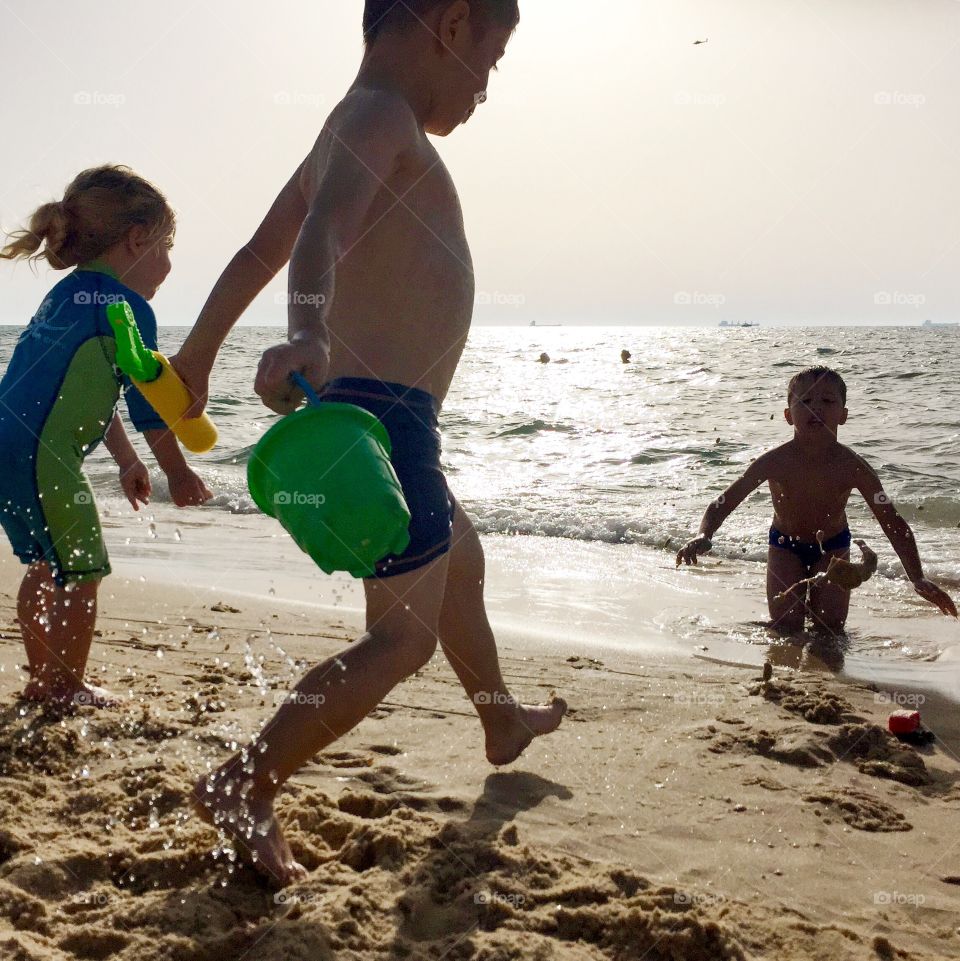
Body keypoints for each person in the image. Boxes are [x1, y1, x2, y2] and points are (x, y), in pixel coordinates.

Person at [173, 0, 565, 885]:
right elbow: (318, 238)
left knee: (460, 562)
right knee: (399, 640)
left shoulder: (350, 126)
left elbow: (258, 250)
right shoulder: (380, 117)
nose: (486, 87)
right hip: (384, 415)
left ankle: (500, 718)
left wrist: (197, 357)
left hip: (388, 417)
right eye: (493, 58)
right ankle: (247, 780)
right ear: (451, 24)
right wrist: (307, 332)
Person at [0, 165, 212, 707]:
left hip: (12, 447)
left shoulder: (66, 297)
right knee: (81, 568)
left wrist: (126, 461)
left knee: (48, 563)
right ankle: (65, 687)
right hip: (44, 454)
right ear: (136, 240)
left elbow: (86, 391)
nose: (169, 263)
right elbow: (145, 402)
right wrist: (178, 472)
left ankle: (44, 682)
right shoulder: (127, 308)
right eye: (166, 246)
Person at [676, 366, 956, 633]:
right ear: (788, 415)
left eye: (827, 400)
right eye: (805, 400)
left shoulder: (853, 466)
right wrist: (704, 534)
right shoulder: (774, 461)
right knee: (786, 623)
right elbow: (726, 500)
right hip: (785, 545)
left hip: (833, 547)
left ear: (843, 415)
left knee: (831, 626)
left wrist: (917, 577)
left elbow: (891, 520)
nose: (816, 407)